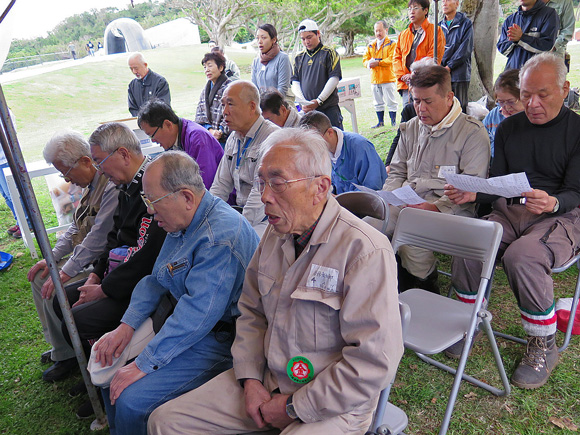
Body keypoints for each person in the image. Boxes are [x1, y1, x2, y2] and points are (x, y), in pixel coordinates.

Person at [147, 127, 403, 435]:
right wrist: (251, 379)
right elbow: (251, 313)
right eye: (262, 182)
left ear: (319, 188)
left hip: (334, 404)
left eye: (278, 183)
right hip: (268, 380)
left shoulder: (364, 251)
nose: (265, 196)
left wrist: (295, 407)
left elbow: (372, 362)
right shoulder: (276, 233)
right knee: (165, 422)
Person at [92, 151, 259, 434]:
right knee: (109, 371)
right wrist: (126, 325)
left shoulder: (220, 238)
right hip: (185, 322)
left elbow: (198, 316)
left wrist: (143, 364)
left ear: (186, 196)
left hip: (222, 338)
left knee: (131, 399)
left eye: (153, 202)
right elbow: (157, 278)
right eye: (146, 201)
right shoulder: (182, 219)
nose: (148, 211)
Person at [444, 53, 580, 389]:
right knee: (470, 243)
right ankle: (467, 322)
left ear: (564, 89)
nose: (532, 103)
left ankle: (543, 342)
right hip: (513, 208)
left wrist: (553, 201)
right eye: (525, 94)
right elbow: (501, 182)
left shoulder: (577, 130)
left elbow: (576, 191)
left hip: (563, 214)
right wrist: (477, 194)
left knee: (524, 255)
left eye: (542, 95)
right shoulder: (507, 128)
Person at [53, 123, 167, 417]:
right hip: (120, 274)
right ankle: (93, 372)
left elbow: (147, 256)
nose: (100, 171)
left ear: (124, 154)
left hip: (141, 286)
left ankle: (104, 383)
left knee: (77, 318)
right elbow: (114, 237)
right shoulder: (125, 186)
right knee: (61, 299)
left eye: (101, 161)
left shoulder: (152, 185)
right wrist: (95, 274)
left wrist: (104, 288)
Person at [383, 63, 490, 294]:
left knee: (408, 238)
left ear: (449, 97)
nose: (420, 108)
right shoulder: (411, 127)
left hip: (450, 210)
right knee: (369, 228)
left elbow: (470, 188)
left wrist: (435, 207)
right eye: (416, 100)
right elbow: (398, 170)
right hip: (405, 202)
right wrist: (389, 197)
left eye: (428, 101)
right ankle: (383, 290)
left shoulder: (471, 132)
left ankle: (425, 288)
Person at [27, 131, 118, 382]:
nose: (65, 178)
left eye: (66, 171)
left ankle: (68, 354)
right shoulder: (89, 186)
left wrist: (65, 270)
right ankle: (62, 348)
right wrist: (53, 257)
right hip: (84, 259)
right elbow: (76, 227)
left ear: (86, 161)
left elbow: (98, 239)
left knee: (54, 285)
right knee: (40, 277)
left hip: (98, 264)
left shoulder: (109, 186)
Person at [209, 81, 279, 235]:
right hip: (242, 214)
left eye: (230, 104)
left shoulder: (272, 138)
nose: (224, 112)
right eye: (223, 105)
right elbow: (220, 186)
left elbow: (260, 196)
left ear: (252, 107)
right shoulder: (233, 138)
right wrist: (206, 219)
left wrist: (238, 231)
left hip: (269, 218)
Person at [137, 99, 224, 189]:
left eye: (152, 135)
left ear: (168, 124)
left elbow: (204, 186)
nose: (153, 141)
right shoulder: (173, 140)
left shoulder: (197, 138)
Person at [299, 111, 387, 195]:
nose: (311, 147)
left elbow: (373, 188)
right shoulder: (321, 152)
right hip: (342, 204)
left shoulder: (360, 146)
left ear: (330, 132)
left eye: (314, 140)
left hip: (369, 204)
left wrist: (341, 200)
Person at [291, 19, 343, 129]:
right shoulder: (299, 57)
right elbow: (295, 81)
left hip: (328, 109)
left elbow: (334, 78)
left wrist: (319, 100)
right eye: (303, 39)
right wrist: (304, 102)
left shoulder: (329, 53)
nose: (306, 42)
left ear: (318, 34)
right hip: (308, 111)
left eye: (309, 37)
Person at [393, 0, 445, 105]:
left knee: (425, 115)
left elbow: (433, 58)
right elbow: (396, 58)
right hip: (406, 85)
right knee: (409, 116)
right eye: (409, 9)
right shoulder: (403, 35)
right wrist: (402, 75)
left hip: (425, 84)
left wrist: (414, 74)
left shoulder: (436, 31)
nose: (411, 12)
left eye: (415, 8)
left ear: (425, 10)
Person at [497, 0, 559, 70]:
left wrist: (521, 38)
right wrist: (515, 40)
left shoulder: (549, 14)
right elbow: (502, 48)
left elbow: (547, 46)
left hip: (537, 73)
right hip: (513, 72)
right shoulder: (511, 19)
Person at [482, 69, 525, 159]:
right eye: (500, 102)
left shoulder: (532, 118)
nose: (506, 107)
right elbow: (480, 141)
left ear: (524, 98)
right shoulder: (493, 116)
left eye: (511, 102)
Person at [440, 0, 474, 113]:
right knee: (444, 109)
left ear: (457, 3)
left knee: (458, 109)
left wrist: (449, 67)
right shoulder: (439, 26)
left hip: (459, 75)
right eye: (442, 1)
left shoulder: (466, 23)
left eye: (448, 0)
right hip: (442, 75)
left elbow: (465, 50)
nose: (444, 3)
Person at [363, 20, 398, 128]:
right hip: (375, 78)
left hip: (387, 77)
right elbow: (365, 59)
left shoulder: (392, 43)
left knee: (391, 101)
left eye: (380, 30)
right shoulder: (371, 45)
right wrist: (369, 64)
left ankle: (393, 121)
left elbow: (392, 59)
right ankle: (380, 122)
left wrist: (379, 62)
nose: (378, 33)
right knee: (377, 102)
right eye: (376, 31)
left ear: (386, 30)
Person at [195, 51, 232, 145]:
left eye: (210, 66)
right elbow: (200, 114)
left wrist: (221, 131)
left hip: (228, 139)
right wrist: (210, 130)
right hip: (210, 136)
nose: (207, 70)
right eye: (205, 67)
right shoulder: (205, 91)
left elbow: (234, 112)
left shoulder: (230, 88)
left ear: (221, 67)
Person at [251, 24, 293, 102]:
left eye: (263, 38)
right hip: (261, 107)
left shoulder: (282, 58)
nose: (259, 41)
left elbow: (282, 89)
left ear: (273, 40)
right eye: (257, 38)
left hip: (278, 105)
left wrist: (267, 106)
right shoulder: (256, 61)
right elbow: (254, 88)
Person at [127, 52, 171, 117]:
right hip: (140, 123)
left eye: (136, 68)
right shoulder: (132, 85)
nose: (134, 71)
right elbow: (133, 109)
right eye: (131, 69)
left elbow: (163, 106)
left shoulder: (160, 82)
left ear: (145, 65)